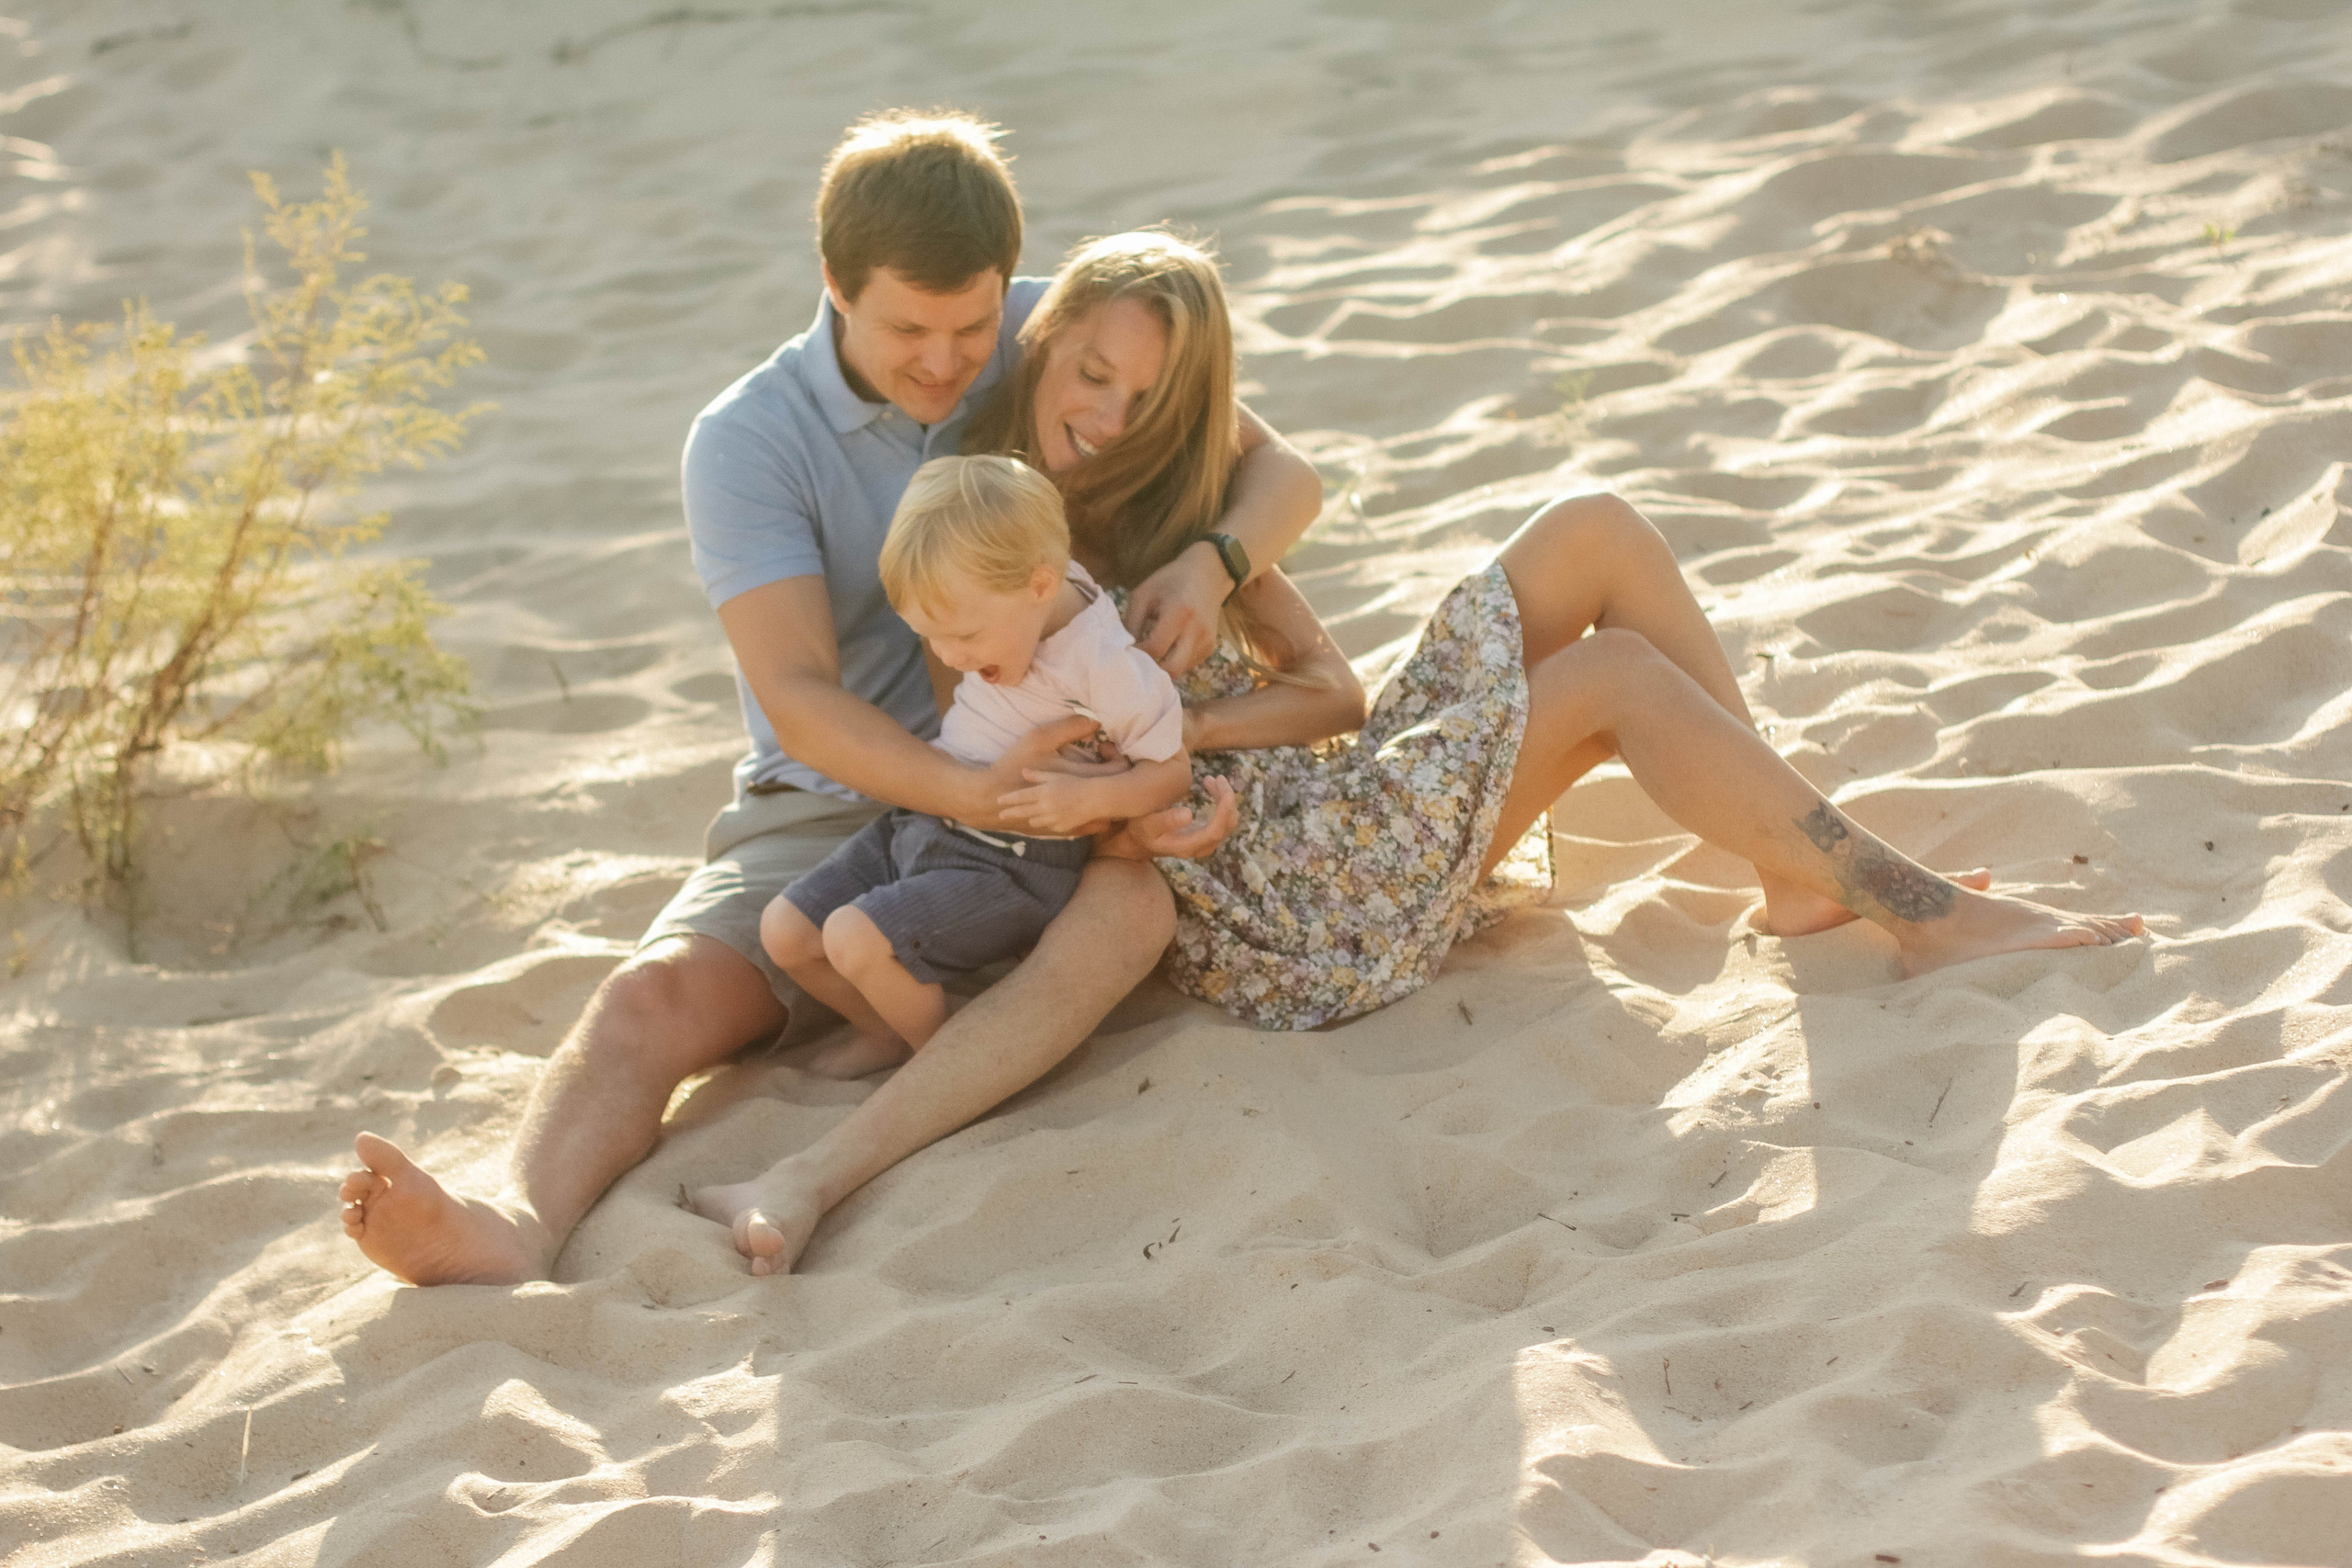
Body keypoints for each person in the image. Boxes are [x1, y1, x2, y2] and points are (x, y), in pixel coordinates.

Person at [337, 110, 1315, 1287]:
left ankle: (893, 1100)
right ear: (833, 286)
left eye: (972, 325)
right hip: (842, 790)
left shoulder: (1052, 330)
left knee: (1127, 915)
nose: (951, 362)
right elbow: (798, 697)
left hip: (1053, 765)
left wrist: (1210, 562)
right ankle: (516, 1224)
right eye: (909, 328)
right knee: (654, 999)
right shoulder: (746, 441)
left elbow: (1279, 471)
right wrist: (970, 792)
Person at [956, 228, 2145, 1033]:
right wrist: (1177, 753)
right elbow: (1046, 766)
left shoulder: (1186, 504)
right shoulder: (1007, 544)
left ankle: (1797, 879)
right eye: (1093, 373)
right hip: (1286, 893)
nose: (1109, 415)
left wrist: (1211, 600)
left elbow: (1335, 695)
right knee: (1612, 677)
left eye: (1145, 397)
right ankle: (1920, 910)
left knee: (1593, 524)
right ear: (1043, 333)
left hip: (1340, 794)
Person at [760, 454, 1191, 1098]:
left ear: (1041, 585)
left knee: (854, 936)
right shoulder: (1022, 593)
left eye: (964, 635)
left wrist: (1091, 797)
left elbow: (1172, 771)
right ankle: (882, 1030)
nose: (950, 657)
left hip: (1011, 859)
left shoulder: (1104, 664)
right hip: (930, 816)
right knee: (787, 932)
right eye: (930, 638)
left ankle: (950, 1064)